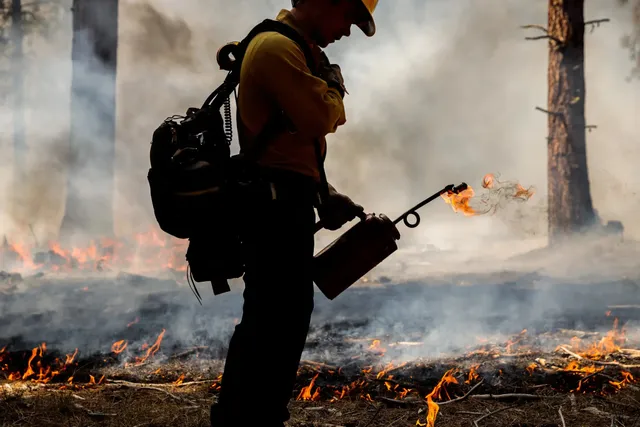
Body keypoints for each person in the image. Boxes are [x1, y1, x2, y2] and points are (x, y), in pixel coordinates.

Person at [210, 0, 379, 426]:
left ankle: (258, 416)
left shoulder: (294, 51)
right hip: (273, 209)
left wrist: (324, 194)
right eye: (348, 18)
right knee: (271, 319)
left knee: (282, 317)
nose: (347, 32)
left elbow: (291, 147)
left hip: (286, 202)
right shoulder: (275, 48)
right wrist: (335, 83)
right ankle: (244, 418)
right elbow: (320, 116)